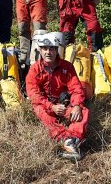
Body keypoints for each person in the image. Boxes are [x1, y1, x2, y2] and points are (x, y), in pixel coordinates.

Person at [26, 32, 89, 160]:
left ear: (57, 50)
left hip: (63, 105)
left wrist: (77, 105)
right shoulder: (35, 69)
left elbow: (76, 88)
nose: (48, 52)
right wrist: (51, 106)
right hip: (46, 106)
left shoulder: (67, 67)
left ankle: (73, 139)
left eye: (51, 49)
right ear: (40, 50)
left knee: (83, 111)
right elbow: (33, 94)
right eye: (45, 49)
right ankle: (65, 138)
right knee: (39, 109)